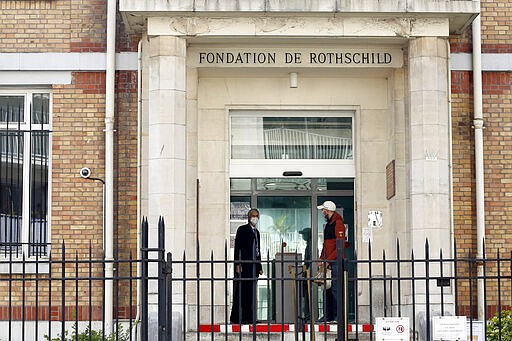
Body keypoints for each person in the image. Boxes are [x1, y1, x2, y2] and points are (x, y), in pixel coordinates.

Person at [230, 208, 263, 324]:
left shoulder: (257, 232)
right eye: (253, 215)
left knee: (251, 293)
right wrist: (237, 264)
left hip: (253, 266)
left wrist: (259, 267)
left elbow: (258, 250)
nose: (255, 218)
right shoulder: (242, 230)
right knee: (242, 292)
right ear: (249, 217)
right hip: (244, 266)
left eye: (257, 216)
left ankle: (250, 317)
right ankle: (238, 317)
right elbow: (238, 248)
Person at [316, 200, 347, 323]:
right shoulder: (329, 224)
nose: (322, 212)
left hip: (335, 262)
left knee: (335, 289)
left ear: (328, 210)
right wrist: (321, 259)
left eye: (323, 210)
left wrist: (328, 260)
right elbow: (326, 245)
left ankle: (337, 316)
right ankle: (328, 315)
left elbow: (340, 244)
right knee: (327, 289)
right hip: (329, 261)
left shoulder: (338, 224)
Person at [298, 228, 312, 321]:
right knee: (306, 295)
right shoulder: (309, 245)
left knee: (307, 295)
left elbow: (309, 260)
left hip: (309, 272)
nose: (303, 236)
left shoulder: (311, 246)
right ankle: (307, 314)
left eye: (304, 234)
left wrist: (306, 270)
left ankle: (308, 315)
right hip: (307, 272)